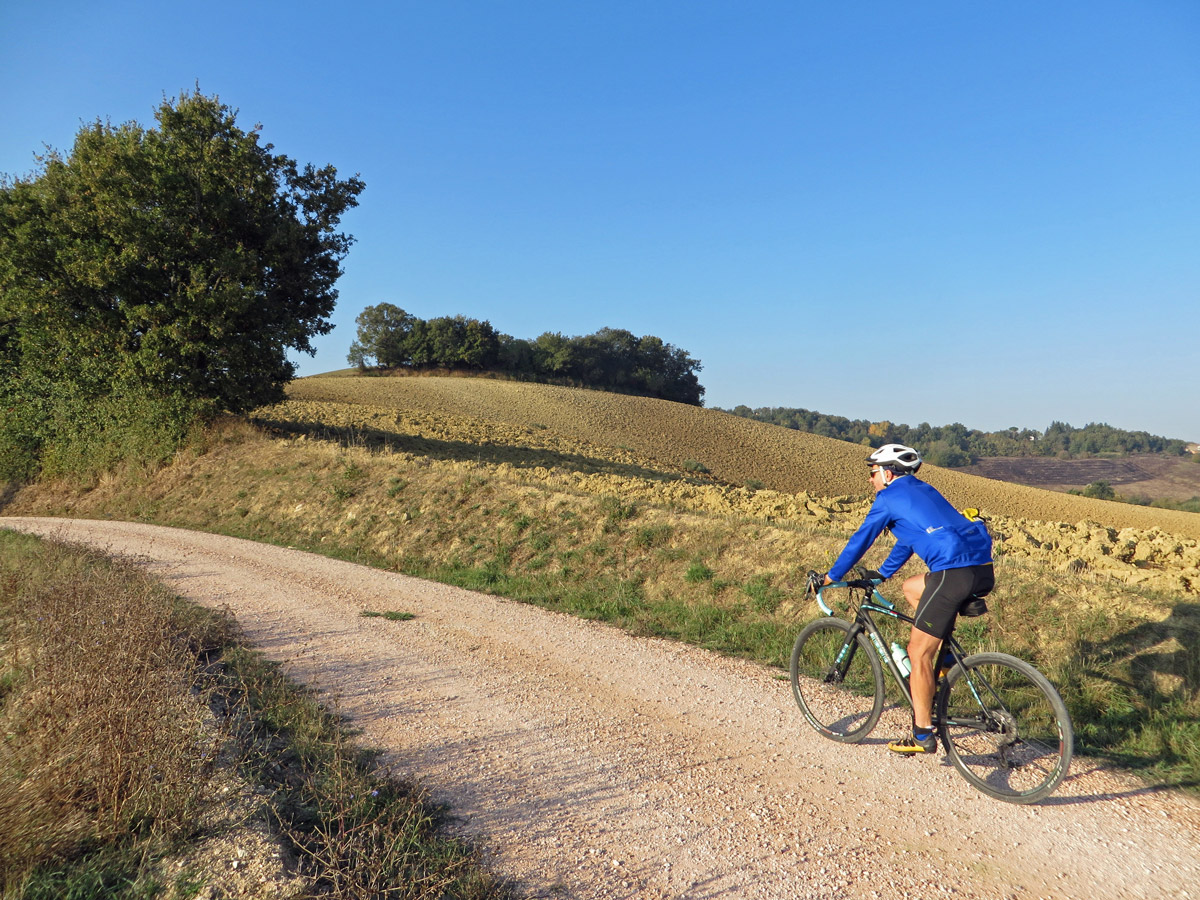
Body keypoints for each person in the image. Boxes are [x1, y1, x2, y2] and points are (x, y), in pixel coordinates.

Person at [823, 443, 993, 754]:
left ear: (888, 474)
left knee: (917, 654)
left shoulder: (887, 498)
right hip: (980, 569)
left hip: (952, 573)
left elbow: (860, 540)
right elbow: (910, 539)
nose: (870, 479)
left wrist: (831, 577)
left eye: (873, 473)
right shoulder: (923, 490)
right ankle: (944, 658)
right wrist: (884, 574)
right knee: (912, 587)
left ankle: (922, 733)